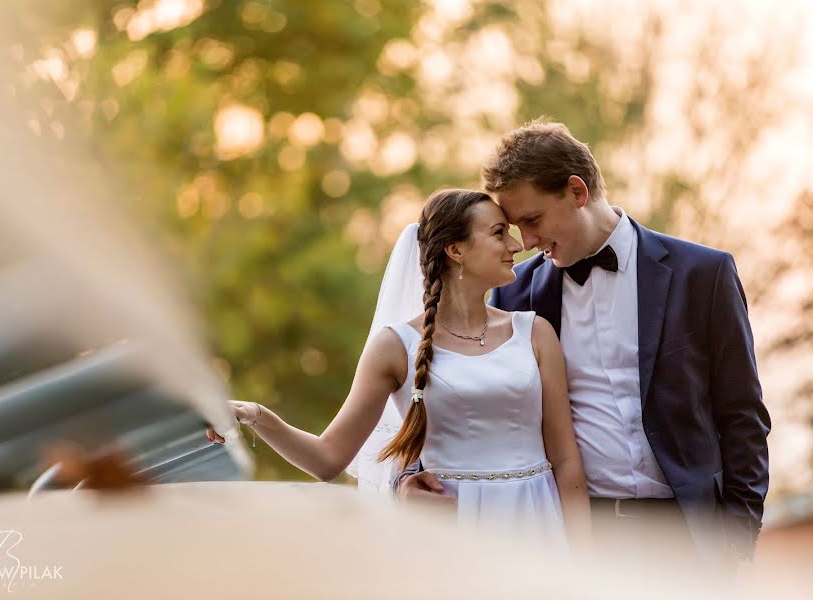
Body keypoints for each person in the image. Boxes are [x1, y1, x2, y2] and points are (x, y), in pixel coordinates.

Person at [397, 119, 770, 562]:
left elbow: (743, 414)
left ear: (577, 192)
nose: (528, 243)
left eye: (532, 220)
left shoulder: (703, 275)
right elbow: (474, 393)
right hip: (575, 534)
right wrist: (413, 475)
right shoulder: (516, 294)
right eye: (516, 228)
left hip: (689, 536)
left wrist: (739, 536)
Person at [207, 188, 591, 548]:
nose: (515, 245)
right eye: (498, 233)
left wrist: (584, 565)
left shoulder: (534, 333)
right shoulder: (395, 346)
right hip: (447, 535)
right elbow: (327, 460)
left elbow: (566, 460)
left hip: (535, 526)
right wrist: (254, 415)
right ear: (455, 249)